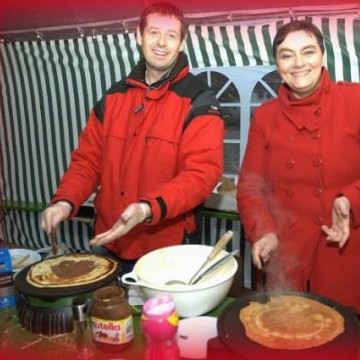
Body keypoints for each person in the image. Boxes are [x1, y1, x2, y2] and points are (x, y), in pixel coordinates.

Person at [236, 20, 360, 320]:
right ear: (277, 63)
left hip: (344, 250)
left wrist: (350, 200)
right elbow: (251, 187)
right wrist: (263, 231)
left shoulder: (356, 101)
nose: (299, 63)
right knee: (287, 335)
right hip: (286, 254)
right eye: (287, 55)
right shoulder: (266, 117)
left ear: (324, 57)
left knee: (348, 336)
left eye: (308, 52)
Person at [41, 2, 224, 273]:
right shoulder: (113, 96)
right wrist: (66, 200)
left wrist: (146, 208)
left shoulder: (199, 99)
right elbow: (88, 161)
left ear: (182, 43)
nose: (161, 43)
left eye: (171, 35)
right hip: (108, 241)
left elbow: (201, 174)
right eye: (153, 33)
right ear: (139, 36)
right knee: (108, 314)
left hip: (166, 251)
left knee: (159, 318)